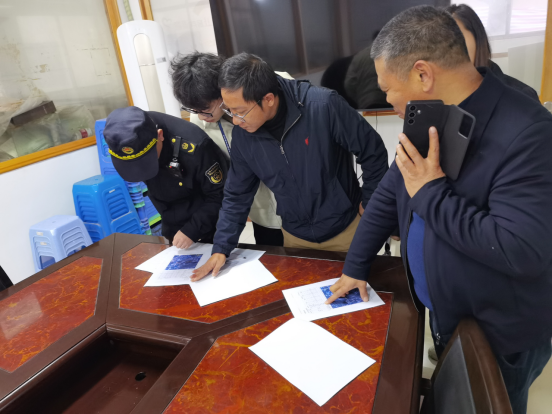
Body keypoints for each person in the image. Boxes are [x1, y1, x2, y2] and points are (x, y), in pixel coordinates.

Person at [326, 6, 552, 414]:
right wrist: (355, 266)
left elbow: (521, 250)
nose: (387, 99)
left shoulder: (528, 131)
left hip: (499, 334)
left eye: (388, 88)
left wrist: (430, 192)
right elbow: (386, 197)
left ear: (422, 74)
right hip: (447, 314)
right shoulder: (429, 118)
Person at [192, 52, 388, 279]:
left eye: (241, 112)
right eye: (229, 111)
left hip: (346, 231)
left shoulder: (323, 106)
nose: (235, 120)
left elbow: (372, 152)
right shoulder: (244, 136)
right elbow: (237, 194)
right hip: (294, 236)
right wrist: (221, 248)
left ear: (268, 99)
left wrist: (370, 202)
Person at [170, 52, 290, 246]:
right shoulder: (200, 124)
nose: (201, 116)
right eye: (194, 110)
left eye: (205, 109)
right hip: (261, 212)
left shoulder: (269, 87)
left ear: (222, 92)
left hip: (300, 206)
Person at [103, 106, 229, 248]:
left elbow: (220, 195)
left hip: (208, 218)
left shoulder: (195, 145)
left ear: (160, 135)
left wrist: (192, 229)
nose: (141, 167)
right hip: (169, 216)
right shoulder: (129, 133)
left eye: (147, 160)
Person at [446, 3, 540, 102]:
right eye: (441, 41)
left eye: (457, 38)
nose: (449, 48)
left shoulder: (522, 96)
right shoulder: (438, 95)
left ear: (477, 39)